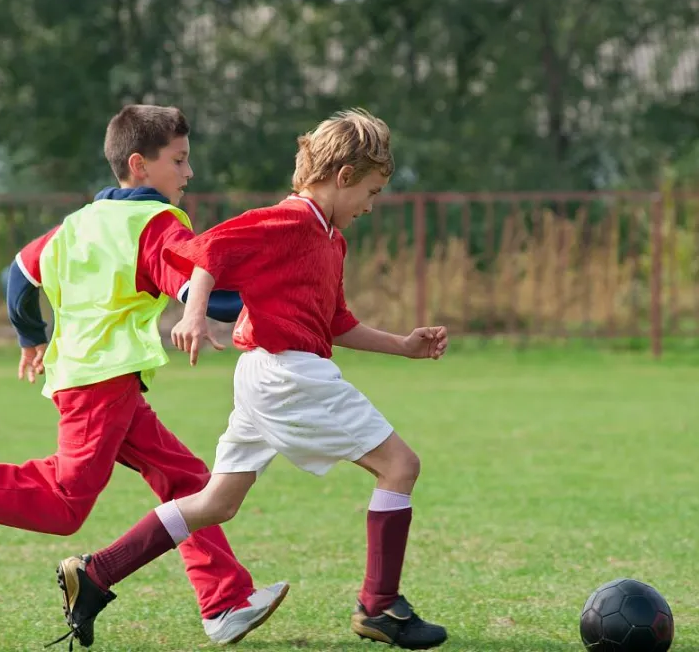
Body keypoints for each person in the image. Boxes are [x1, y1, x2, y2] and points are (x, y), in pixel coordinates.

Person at [0, 105, 288, 648]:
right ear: (140, 164)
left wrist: (29, 334)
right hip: (99, 384)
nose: (189, 173)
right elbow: (198, 292)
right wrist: (273, 300)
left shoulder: (80, 221)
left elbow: (15, 273)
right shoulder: (156, 224)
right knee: (64, 504)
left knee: (186, 480)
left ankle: (225, 601)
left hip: (95, 379)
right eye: (179, 161)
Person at [50, 109, 449, 650]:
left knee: (217, 501)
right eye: (372, 192)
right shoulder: (290, 222)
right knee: (400, 466)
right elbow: (208, 249)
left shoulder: (330, 238)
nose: (371, 206)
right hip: (289, 373)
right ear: (345, 176)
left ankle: (96, 573)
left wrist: (402, 345)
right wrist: (192, 314)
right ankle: (379, 606)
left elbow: (335, 322)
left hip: (266, 372)